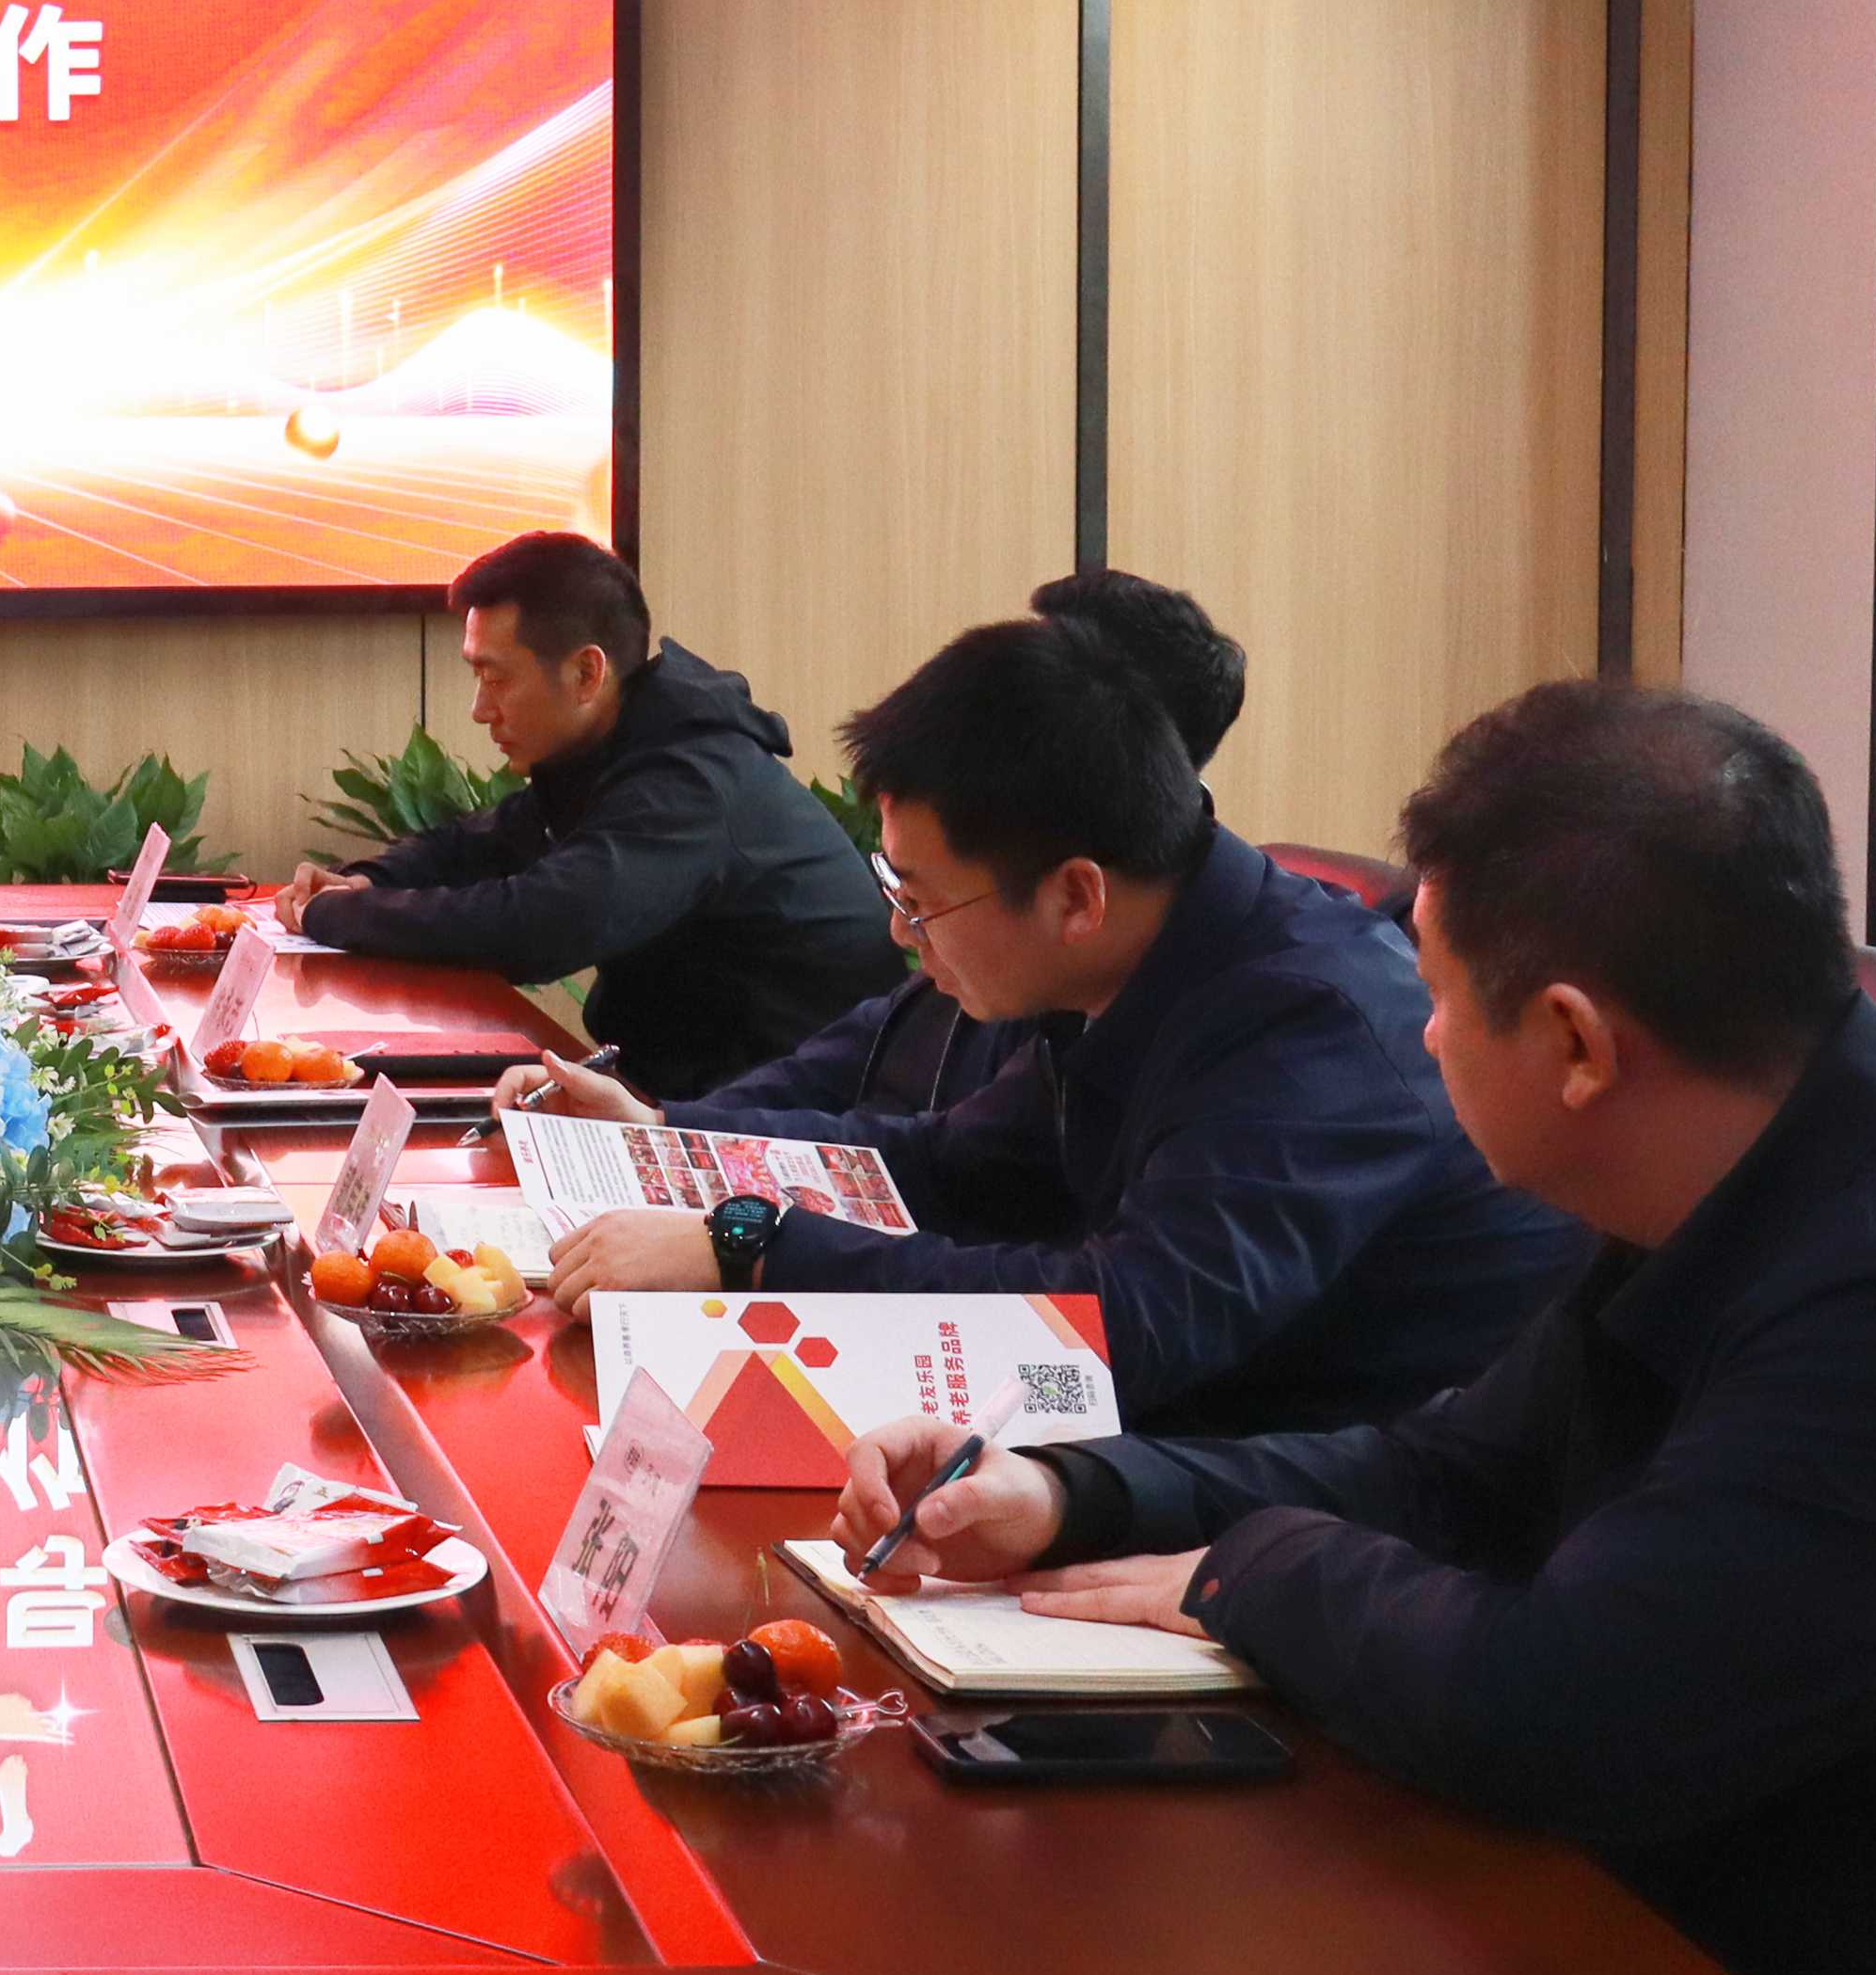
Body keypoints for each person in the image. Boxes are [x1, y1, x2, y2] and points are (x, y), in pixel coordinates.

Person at [836, 684, 1876, 1975]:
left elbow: (1552, 1708)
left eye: (1439, 998)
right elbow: (1448, 1471)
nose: (1422, 1035)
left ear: (1575, 1041)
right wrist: (1070, 1492)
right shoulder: (1755, 1163)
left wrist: (1246, 1568)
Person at [530, 614, 1582, 1437]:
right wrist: (666, 1139)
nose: (901, 933)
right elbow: (946, 1161)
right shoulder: (1130, 964)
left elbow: (1116, 1326)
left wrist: (752, 1246)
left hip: (1323, 1499)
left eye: (921, 899)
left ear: (1076, 896)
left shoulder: (1312, 1027)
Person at [273, 531, 903, 1092]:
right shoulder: (619, 748)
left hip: (788, 1117)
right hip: (684, 1091)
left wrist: (337, 914)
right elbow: (487, 841)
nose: (480, 709)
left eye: (496, 678)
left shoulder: (690, 780)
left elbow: (541, 925)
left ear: (585, 674)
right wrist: (371, 880)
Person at [619, 568, 1255, 1123]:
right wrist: (667, 1127)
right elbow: (910, 1108)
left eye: (1037, 675)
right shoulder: (1001, 897)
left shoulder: (1217, 1009)